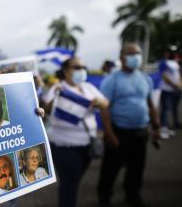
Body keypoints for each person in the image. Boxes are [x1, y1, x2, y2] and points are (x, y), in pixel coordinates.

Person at [98, 42, 161, 207]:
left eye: (138, 54)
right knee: (110, 169)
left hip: (140, 132)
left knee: (136, 168)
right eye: (131, 54)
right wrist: (109, 134)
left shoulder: (145, 78)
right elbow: (105, 109)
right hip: (119, 132)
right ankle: (104, 198)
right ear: (122, 57)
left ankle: (132, 195)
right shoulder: (112, 80)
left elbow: (150, 103)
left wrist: (156, 126)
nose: (136, 57)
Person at [43, 57, 109, 207]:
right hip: (64, 147)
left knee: (74, 181)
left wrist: (99, 102)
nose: (81, 70)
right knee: (69, 185)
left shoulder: (88, 88)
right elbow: (45, 110)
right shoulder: (58, 88)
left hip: (86, 146)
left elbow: (106, 103)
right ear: (66, 71)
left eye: (83, 67)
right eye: (76, 67)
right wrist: (56, 98)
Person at [158, 45, 182, 139]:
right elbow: (164, 76)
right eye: (171, 52)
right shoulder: (164, 63)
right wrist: (175, 85)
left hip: (175, 91)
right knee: (165, 110)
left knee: (171, 109)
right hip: (166, 90)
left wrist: (179, 85)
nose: (173, 54)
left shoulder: (176, 64)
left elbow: (178, 75)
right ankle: (163, 128)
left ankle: (167, 127)